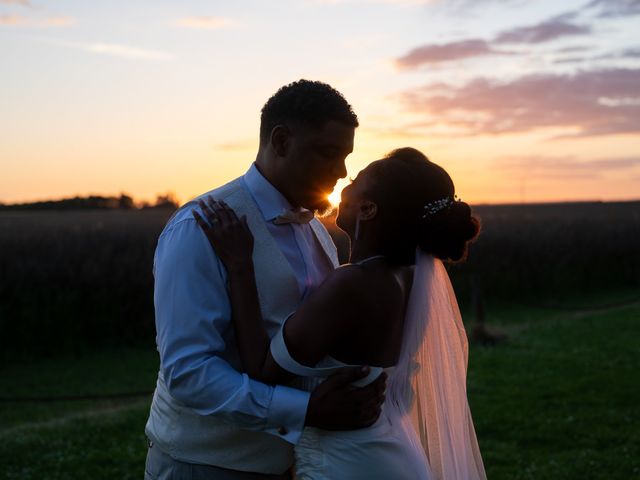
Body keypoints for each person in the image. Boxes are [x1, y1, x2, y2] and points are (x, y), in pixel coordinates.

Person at [194, 147, 488, 479]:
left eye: (354, 180)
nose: (343, 185)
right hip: (384, 451)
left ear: (368, 208)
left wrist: (240, 267)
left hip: (349, 463)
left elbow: (263, 370)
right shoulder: (409, 277)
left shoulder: (354, 282)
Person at [144, 80, 386, 479]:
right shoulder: (197, 227)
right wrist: (307, 410)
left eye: (345, 157)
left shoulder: (317, 231)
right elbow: (190, 372)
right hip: (204, 465)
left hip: (290, 464)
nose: (342, 173)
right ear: (281, 141)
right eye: (328, 154)